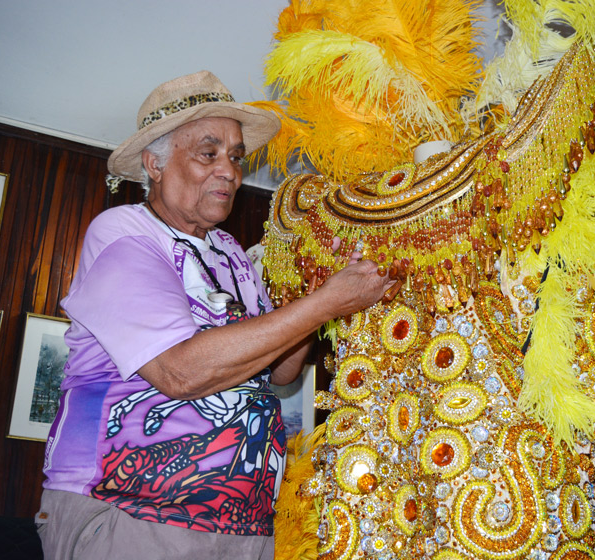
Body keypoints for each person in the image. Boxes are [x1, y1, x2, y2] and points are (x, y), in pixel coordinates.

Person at [35, 70, 395, 560]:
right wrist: (328, 302)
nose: (229, 170)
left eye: (235, 156)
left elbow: (283, 373)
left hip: (245, 526)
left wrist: (314, 293)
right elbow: (180, 372)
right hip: (133, 512)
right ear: (154, 164)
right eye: (209, 153)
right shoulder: (124, 235)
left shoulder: (231, 254)